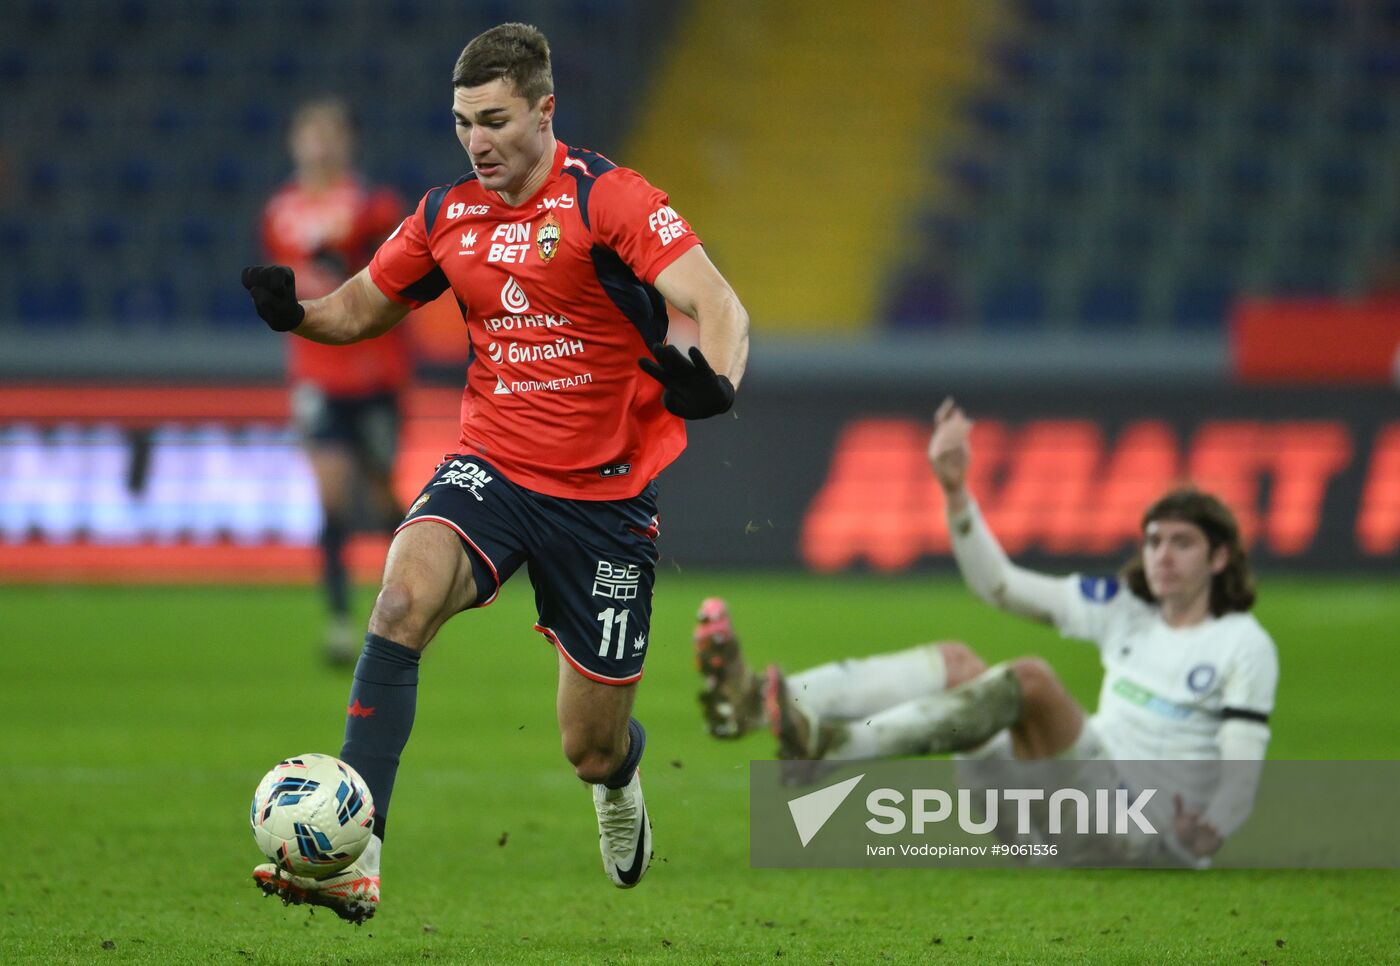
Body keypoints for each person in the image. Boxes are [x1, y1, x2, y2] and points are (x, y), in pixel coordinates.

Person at [242, 23, 749, 922]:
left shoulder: (609, 200)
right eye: (462, 122)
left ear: (545, 111)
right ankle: (357, 854)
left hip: (605, 497)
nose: (477, 141)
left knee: (587, 746)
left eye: (495, 119)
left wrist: (717, 384)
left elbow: (718, 303)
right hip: (493, 468)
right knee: (399, 601)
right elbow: (361, 305)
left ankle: (620, 778)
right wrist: (299, 316)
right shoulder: (448, 215)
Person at [697, 398, 1278, 864]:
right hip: (1054, 814)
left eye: (1183, 543)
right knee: (956, 663)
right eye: (1154, 540)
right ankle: (752, 705)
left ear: (1221, 558)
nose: (1162, 555)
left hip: (1139, 836)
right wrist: (955, 492)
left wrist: (1211, 831)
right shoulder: (1127, 608)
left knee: (1031, 681)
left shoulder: (1243, 645)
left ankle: (836, 746)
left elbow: (1243, 769)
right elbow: (998, 585)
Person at [260, 98, 412, 665]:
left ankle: (410, 601)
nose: (319, 145)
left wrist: (349, 252)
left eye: (329, 134)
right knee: (330, 496)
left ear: (346, 143)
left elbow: (385, 274)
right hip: (317, 372)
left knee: (380, 494)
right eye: (310, 133)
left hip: (374, 370)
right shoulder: (279, 211)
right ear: (294, 143)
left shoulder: (374, 205)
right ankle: (341, 623)